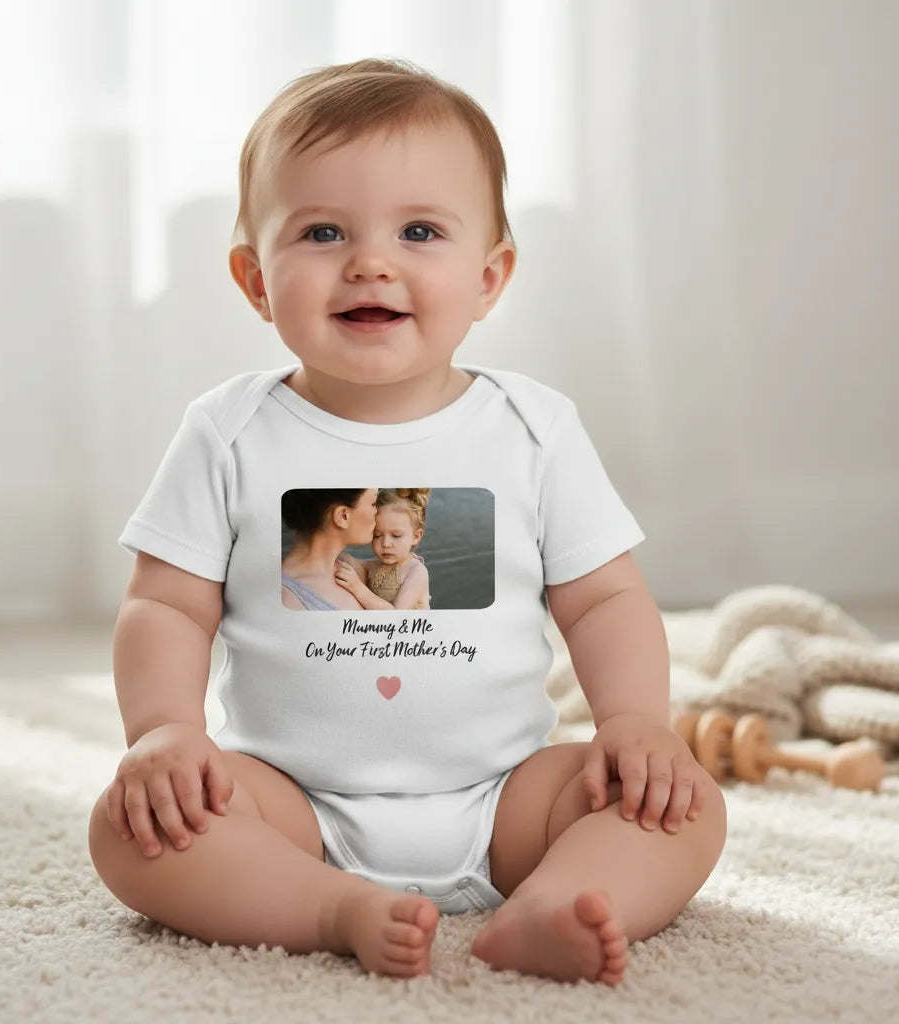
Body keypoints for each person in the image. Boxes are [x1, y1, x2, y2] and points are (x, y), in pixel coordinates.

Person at [88, 57, 727, 985]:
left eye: (419, 231)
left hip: (507, 798)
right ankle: (331, 908)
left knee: (681, 805)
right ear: (255, 280)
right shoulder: (228, 432)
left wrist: (636, 721)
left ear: (489, 277)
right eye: (322, 232)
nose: (370, 262)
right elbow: (166, 606)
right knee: (131, 831)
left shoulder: (532, 428)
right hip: (291, 805)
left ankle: (556, 901)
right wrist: (164, 733)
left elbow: (603, 600)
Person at [280, 488, 380, 610]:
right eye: (374, 504)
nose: (378, 512)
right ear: (343, 516)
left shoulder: (352, 567)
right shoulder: (290, 601)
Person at [333, 488, 431, 610]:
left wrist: (357, 588)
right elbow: (345, 559)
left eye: (396, 536)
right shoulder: (372, 566)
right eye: (377, 535)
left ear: (416, 537)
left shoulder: (416, 571)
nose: (385, 544)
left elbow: (396, 615)